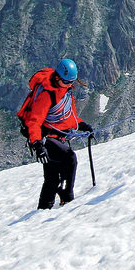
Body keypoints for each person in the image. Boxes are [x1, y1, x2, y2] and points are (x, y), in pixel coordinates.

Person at [19, 59, 93, 210]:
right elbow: (34, 121)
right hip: (45, 138)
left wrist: (82, 125)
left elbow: (67, 116)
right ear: (58, 77)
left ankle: (43, 210)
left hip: (56, 137)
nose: (69, 85)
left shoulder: (65, 90)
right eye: (66, 82)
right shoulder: (47, 94)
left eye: (71, 82)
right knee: (70, 158)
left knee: (52, 178)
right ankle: (68, 199)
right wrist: (37, 144)